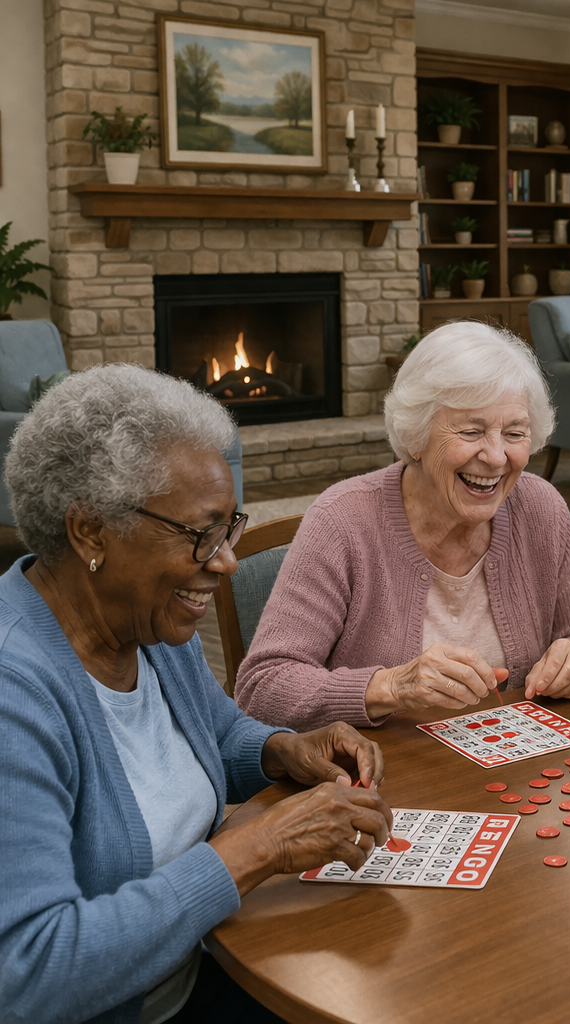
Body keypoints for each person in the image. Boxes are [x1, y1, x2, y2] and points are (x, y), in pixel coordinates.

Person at [0, 365, 394, 1024]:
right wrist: (257, 849)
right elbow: (32, 970)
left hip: (213, 965)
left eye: (228, 528)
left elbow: (212, 737)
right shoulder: (16, 695)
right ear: (90, 532)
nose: (226, 562)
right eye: (198, 536)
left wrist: (279, 749)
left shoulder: (147, 622)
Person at [236, 322, 570, 732]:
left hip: (515, 772)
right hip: (379, 779)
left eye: (515, 433)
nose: (497, 456)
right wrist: (391, 686)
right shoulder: (342, 523)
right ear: (415, 436)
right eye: (471, 431)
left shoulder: (540, 509)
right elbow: (262, 688)